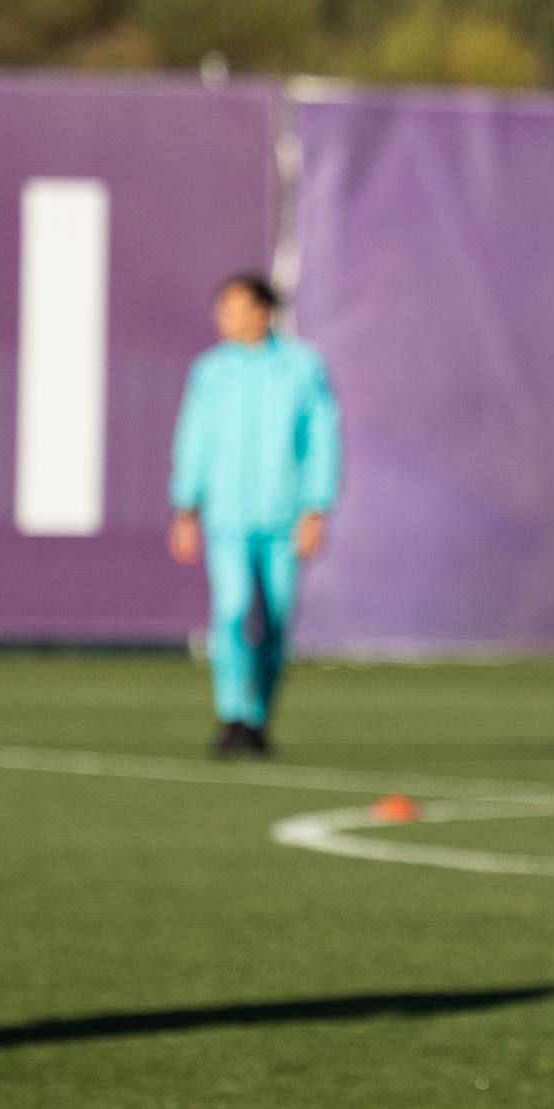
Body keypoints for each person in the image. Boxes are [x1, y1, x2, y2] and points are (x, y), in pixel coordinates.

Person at [167, 274, 340, 759]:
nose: (225, 318)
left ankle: (259, 716)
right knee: (233, 610)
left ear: (265, 312)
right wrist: (185, 505)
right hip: (226, 516)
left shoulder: (302, 368)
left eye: (236, 308)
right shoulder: (212, 371)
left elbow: (322, 441)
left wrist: (316, 508)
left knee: (277, 621)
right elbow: (194, 439)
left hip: (284, 516)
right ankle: (231, 714)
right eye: (223, 308)